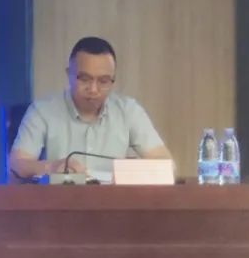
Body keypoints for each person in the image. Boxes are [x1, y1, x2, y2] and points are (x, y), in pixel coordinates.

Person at [10, 36, 172, 180]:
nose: (93, 89)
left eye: (103, 81)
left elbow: (166, 165)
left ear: (113, 80)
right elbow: (17, 163)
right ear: (69, 74)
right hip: (60, 200)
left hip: (114, 201)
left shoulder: (129, 111)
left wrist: (132, 171)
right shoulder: (43, 110)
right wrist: (50, 167)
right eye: (85, 79)